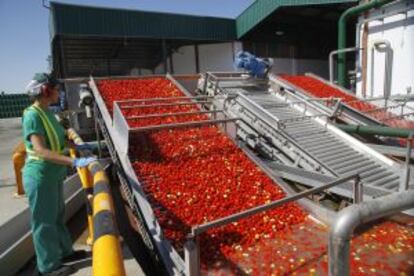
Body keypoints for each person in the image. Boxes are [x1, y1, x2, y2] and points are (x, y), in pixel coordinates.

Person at [23, 73, 96, 275]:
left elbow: (60, 142)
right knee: (44, 222)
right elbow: (40, 150)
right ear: (46, 91)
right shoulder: (32, 115)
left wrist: (81, 147)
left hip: (53, 175)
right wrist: (75, 161)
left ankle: (65, 253)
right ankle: (47, 268)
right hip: (40, 176)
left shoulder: (47, 112)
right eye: (56, 89)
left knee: (56, 216)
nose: (59, 92)